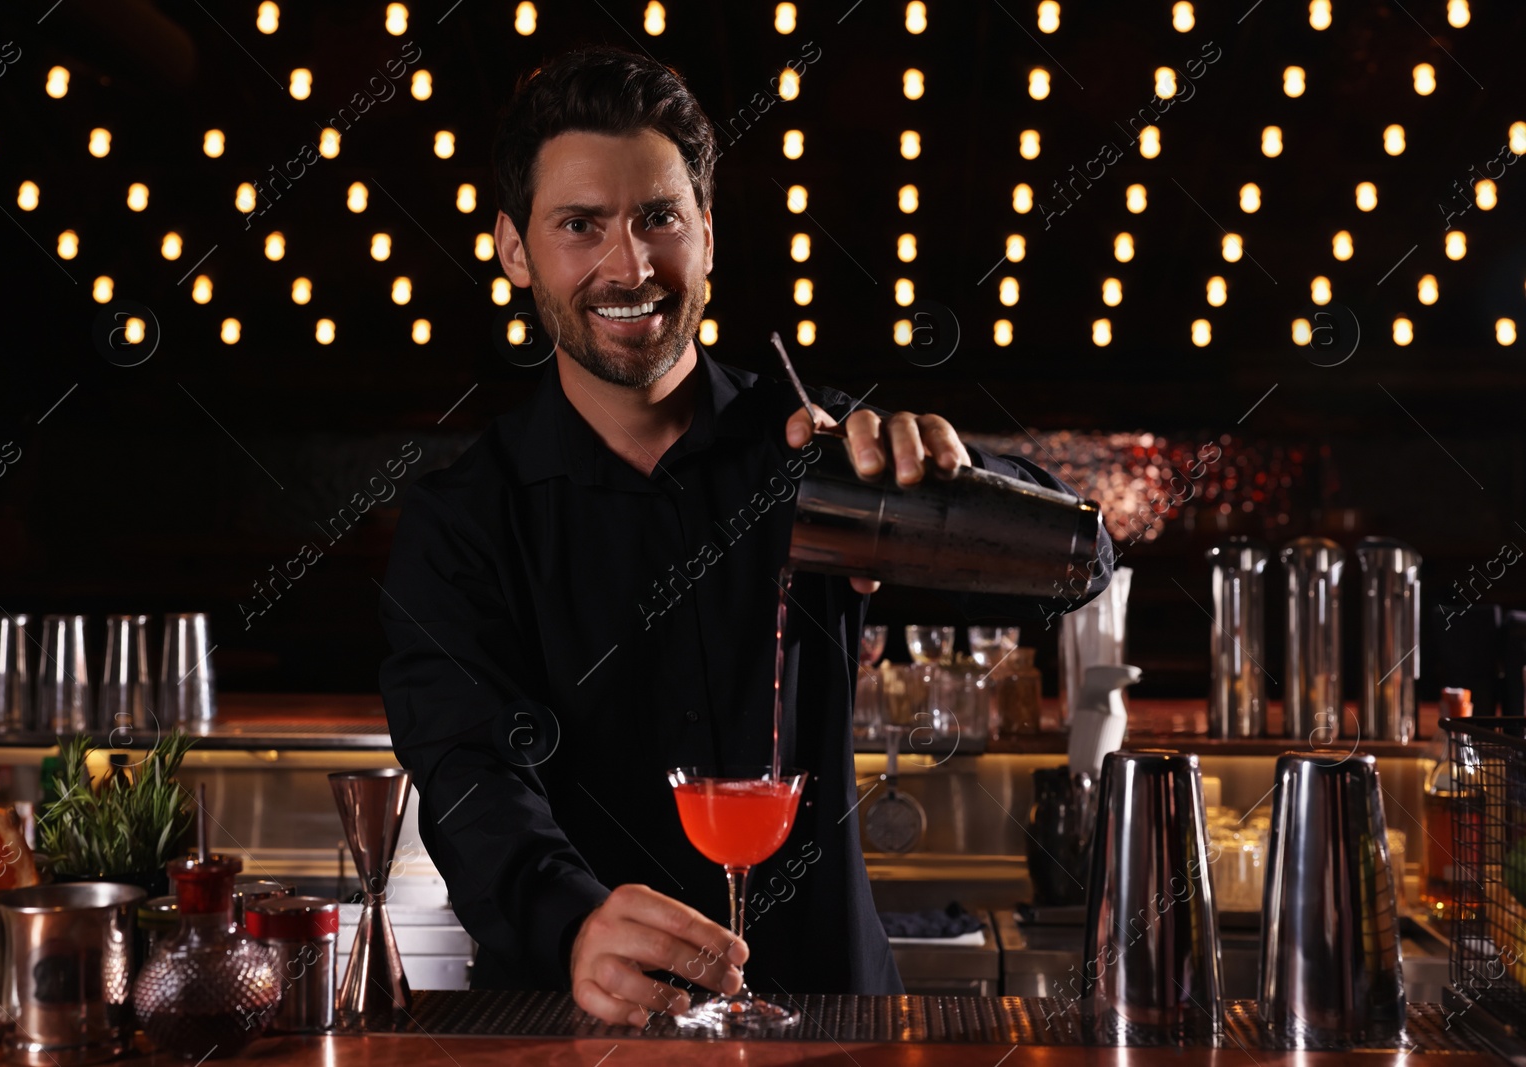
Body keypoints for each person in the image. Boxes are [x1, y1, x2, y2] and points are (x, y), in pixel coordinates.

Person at [378, 44, 1114, 1028]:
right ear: (515, 249)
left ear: (709, 235)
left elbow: (1078, 564)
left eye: (659, 219)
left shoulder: (809, 450)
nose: (628, 265)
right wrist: (574, 920)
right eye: (579, 226)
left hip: (825, 1020)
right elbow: (467, 776)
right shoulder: (464, 516)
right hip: (572, 1023)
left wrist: (961, 480)